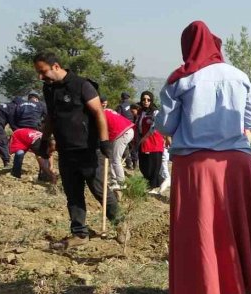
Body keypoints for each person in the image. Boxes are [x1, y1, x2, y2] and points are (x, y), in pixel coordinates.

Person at [156, 20, 251, 294]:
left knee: (203, 228)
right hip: (236, 161)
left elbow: (166, 124)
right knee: (239, 224)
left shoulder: (181, 80)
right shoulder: (238, 75)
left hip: (196, 164)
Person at [33, 52, 119, 245]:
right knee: (73, 193)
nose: (40, 77)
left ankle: (121, 223)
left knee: (99, 190)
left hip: (87, 149)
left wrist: (104, 142)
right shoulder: (49, 89)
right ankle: (79, 233)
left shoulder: (82, 85)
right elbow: (51, 118)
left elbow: (99, 113)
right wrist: (45, 141)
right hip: (66, 150)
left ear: (55, 66)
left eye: (43, 71)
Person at [101, 96, 135, 190]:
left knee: (116, 159)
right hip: (127, 131)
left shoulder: (100, 113)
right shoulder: (107, 110)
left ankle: (121, 183)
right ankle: (114, 181)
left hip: (123, 133)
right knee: (112, 158)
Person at [136, 91, 165, 190]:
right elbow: (138, 126)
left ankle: (153, 185)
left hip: (153, 142)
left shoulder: (155, 112)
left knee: (152, 166)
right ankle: (156, 181)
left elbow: (154, 128)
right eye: (144, 99)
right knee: (143, 165)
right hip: (143, 142)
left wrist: (143, 139)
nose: (146, 102)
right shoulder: (140, 112)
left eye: (148, 100)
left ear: (151, 101)